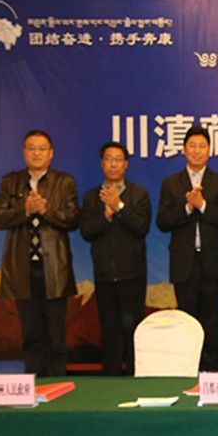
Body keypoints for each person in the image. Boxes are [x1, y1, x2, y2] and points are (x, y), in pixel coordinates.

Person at [0, 130, 80, 376]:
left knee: (56, 335)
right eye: (31, 148)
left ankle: (58, 385)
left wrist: (45, 210)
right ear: (24, 152)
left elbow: (73, 218)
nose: (36, 153)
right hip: (22, 270)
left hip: (55, 269)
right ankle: (33, 385)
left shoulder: (64, 182)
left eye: (42, 148)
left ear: (51, 153)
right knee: (30, 334)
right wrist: (25, 209)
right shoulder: (11, 182)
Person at [156, 125, 218, 371]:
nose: (197, 151)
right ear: (184, 150)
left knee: (213, 325)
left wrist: (203, 205)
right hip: (184, 265)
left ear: (210, 151)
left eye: (202, 146)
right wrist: (188, 208)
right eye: (193, 146)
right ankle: (188, 373)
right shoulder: (170, 183)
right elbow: (162, 222)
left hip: (212, 264)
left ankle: (215, 376)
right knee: (187, 323)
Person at [79, 141, 151, 375]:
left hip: (133, 275)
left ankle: (134, 376)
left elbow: (142, 227)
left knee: (133, 332)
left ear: (126, 164)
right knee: (109, 332)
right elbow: (86, 231)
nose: (113, 164)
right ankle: (110, 379)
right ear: (102, 164)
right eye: (108, 159)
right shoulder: (91, 197)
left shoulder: (139, 194)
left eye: (118, 159)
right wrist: (106, 215)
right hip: (104, 275)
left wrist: (118, 206)